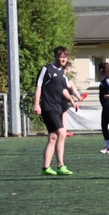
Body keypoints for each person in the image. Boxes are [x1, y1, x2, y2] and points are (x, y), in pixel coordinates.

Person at [33, 46, 81, 175]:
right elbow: (38, 87)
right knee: (62, 133)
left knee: (53, 137)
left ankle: (46, 168)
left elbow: (64, 90)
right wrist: (37, 104)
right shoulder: (46, 69)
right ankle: (61, 165)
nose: (63, 59)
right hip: (49, 107)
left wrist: (72, 100)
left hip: (59, 107)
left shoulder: (62, 73)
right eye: (61, 56)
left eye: (65, 57)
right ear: (56, 56)